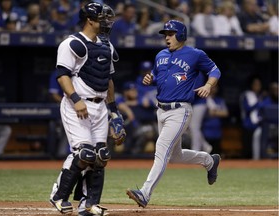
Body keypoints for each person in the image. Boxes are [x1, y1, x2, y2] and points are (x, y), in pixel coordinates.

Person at [126, 19, 222, 208]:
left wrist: (209, 85)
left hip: (180, 110)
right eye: (165, 34)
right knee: (175, 155)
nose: (167, 37)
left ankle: (145, 193)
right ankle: (209, 160)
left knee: (161, 147)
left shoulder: (195, 54)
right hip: (160, 109)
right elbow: (157, 76)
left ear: (181, 35)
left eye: (170, 34)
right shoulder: (160, 55)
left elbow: (214, 70)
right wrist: (150, 79)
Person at [49, 2, 125, 216]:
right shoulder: (72, 43)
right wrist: (75, 99)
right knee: (84, 154)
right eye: (102, 18)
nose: (107, 22)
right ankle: (59, 196)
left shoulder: (106, 45)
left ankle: (89, 204)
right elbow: (62, 75)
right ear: (90, 20)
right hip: (77, 105)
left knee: (101, 156)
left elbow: (108, 80)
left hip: (100, 106)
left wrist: (114, 112)